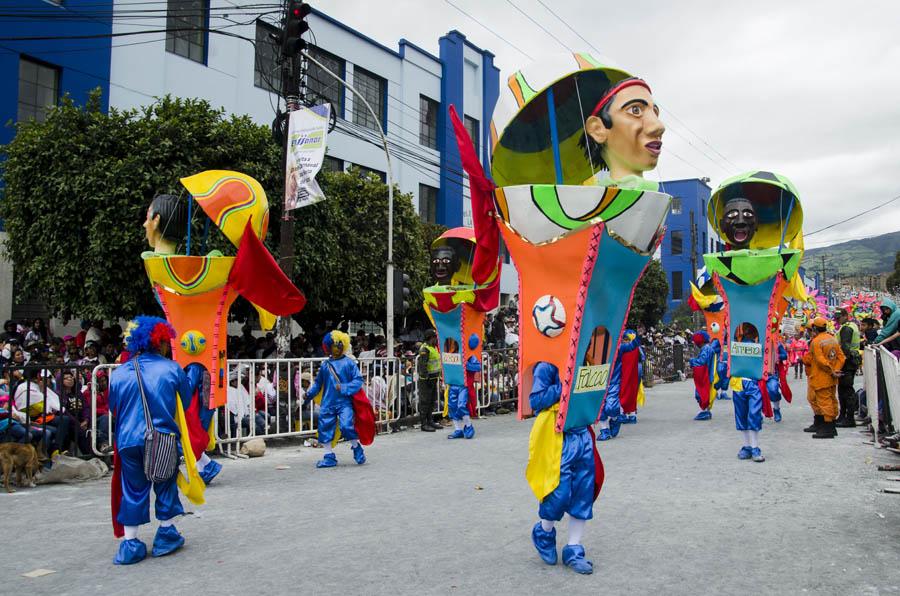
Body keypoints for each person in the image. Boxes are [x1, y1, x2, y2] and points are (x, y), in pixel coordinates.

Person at [108, 316, 202, 565]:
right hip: (161, 437)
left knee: (133, 489)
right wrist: (195, 368)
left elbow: (113, 407)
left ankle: (130, 544)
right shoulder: (170, 368)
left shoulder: (118, 374)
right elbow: (186, 394)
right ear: (160, 341)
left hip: (127, 440)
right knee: (165, 485)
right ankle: (166, 534)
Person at [528, 362, 600, 575]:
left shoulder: (586, 360)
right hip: (558, 438)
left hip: (582, 435)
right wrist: (564, 383)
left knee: (583, 494)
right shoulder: (546, 366)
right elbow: (536, 400)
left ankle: (574, 549)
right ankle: (544, 531)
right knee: (557, 493)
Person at [304, 331, 367, 468]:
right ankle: (329, 456)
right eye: (333, 345)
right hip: (328, 402)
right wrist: (308, 395)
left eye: (339, 345)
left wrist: (344, 387)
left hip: (344, 403)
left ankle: (356, 447)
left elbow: (358, 380)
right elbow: (317, 384)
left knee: (346, 426)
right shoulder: (325, 366)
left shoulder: (349, 363)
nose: (336, 348)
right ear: (328, 347)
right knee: (324, 428)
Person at [801, 317, 846, 439]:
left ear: (815, 328)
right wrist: (835, 369)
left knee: (824, 402)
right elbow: (841, 357)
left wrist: (831, 371)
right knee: (831, 399)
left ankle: (828, 428)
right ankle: (830, 426)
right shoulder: (833, 339)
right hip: (831, 377)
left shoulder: (816, 342)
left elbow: (820, 361)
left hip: (821, 377)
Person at [596, 331, 641, 440]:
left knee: (611, 407)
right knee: (599, 408)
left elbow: (632, 346)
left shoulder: (618, 348)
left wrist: (638, 335)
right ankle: (604, 430)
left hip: (613, 383)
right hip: (598, 383)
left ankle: (616, 418)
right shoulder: (594, 349)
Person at [731, 323, 766, 462]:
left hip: (744, 383)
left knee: (745, 415)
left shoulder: (737, 345)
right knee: (751, 414)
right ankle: (751, 447)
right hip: (746, 383)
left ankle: (750, 446)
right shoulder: (759, 347)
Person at [834, 309, 861, 428]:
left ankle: (849, 418)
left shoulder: (846, 328)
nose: (837, 320)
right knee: (843, 389)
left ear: (845, 316)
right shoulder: (851, 326)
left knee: (846, 390)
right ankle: (843, 416)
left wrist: (839, 363)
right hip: (851, 361)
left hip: (847, 362)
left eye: (839, 317)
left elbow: (845, 347)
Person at [689, 330, 720, 421]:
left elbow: (702, 361)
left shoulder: (706, 349)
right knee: (704, 394)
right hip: (708, 375)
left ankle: (705, 411)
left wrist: (692, 361)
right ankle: (706, 411)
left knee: (702, 394)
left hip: (706, 376)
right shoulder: (708, 348)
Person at [416, 329, 442, 432]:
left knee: (432, 400)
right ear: (431, 338)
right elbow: (423, 365)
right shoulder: (425, 349)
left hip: (433, 378)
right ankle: (424, 424)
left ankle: (430, 420)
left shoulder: (433, 347)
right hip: (426, 380)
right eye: (435, 337)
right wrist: (426, 377)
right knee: (425, 402)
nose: (436, 339)